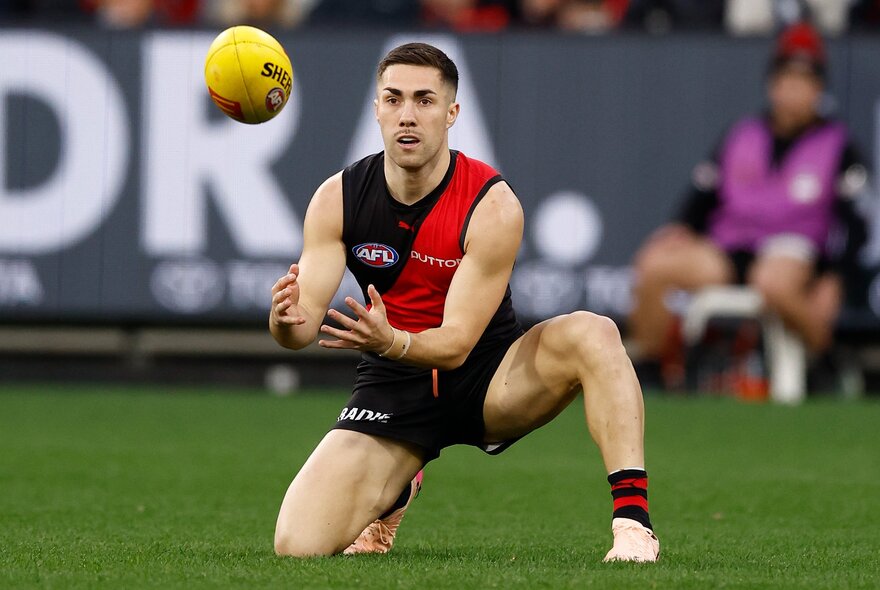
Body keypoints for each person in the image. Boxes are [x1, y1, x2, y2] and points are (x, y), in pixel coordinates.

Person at [269, 42, 659, 562]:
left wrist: (391, 339)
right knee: (297, 546)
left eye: (425, 100)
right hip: (393, 389)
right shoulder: (337, 197)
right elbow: (301, 330)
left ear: (452, 113)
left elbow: (455, 345)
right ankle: (401, 486)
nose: (408, 115)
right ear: (377, 109)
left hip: (488, 378)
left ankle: (633, 523)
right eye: (394, 98)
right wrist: (284, 320)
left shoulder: (491, 203)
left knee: (595, 332)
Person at [629, 22, 868, 372]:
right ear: (772, 84)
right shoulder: (743, 134)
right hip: (729, 248)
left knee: (771, 281)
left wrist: (836, 277)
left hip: (792, 251)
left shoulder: (839, 144)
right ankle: (652, 367)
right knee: (654, 263)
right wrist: (681, 227)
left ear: (818, 89)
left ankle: (826, 360)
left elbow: (859, 222)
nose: (793, 91)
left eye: (803, 82)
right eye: (786, 80)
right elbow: (702, 191)